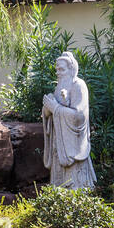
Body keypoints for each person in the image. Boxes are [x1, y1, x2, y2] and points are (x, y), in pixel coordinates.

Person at [42, 52, 97, 190]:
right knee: (58, 185)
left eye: (62, 69)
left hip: (72, 145)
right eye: (57, 70)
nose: (58, 73)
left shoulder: (79, 85)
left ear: (71, 69)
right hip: (59, 143)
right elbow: (52, 113)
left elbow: (79, 116)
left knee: (75, 187)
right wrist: (47, 111)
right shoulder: (59, 87)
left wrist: (55, 109)